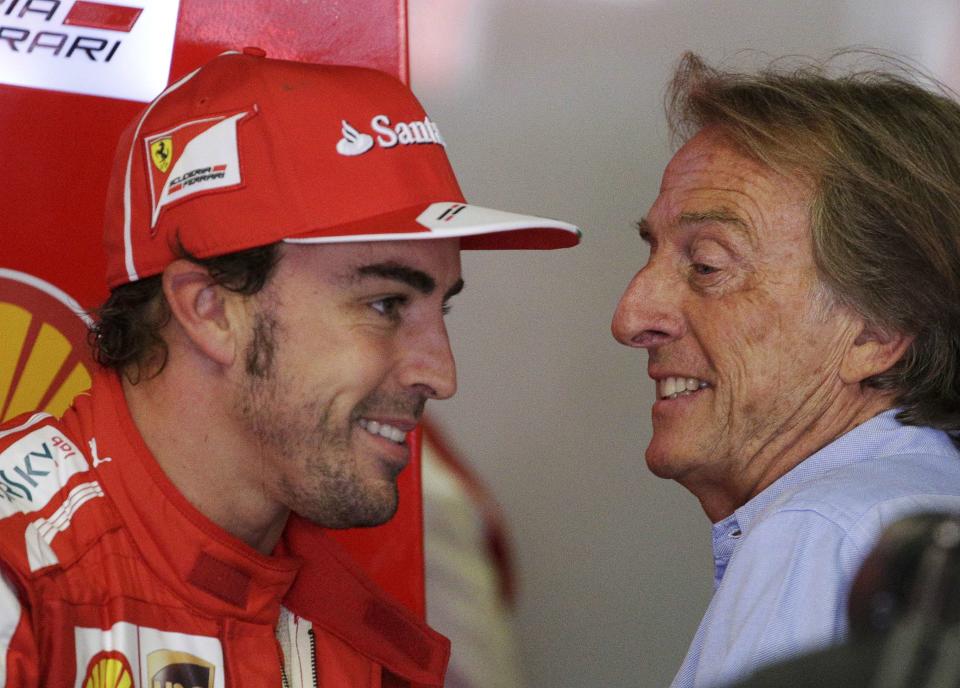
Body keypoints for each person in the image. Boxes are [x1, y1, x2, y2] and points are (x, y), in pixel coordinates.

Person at [0, 49, 580, 687]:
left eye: (442, 308)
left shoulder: (369, 646)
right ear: (210, 309)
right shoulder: (20, 582)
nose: (442, 375)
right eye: (386, 304)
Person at [611, 51, 960, 688]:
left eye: (708, 266)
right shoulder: (918, 501)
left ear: (877, 332)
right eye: (652, 253)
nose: (631, 317)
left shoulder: (825, 532)